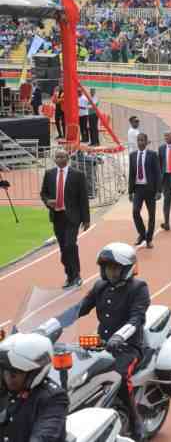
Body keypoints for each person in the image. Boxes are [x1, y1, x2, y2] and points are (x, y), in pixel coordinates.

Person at [72, 243, 150, 440]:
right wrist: (52, 323)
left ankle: (135, 421)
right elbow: (79, 308)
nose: (111, 272)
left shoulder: (139, 288)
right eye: (107, 268)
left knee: (121, 376)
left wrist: (119, 336)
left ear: (126, 269)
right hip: (101, 344)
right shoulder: (100, 286)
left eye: (115, 268)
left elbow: (137, 318)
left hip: (128, 347)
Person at [0, 333, 68, 442]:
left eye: (14, 374)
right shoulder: (6, 389)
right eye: (4, 371)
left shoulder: (53, 398)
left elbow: (44, 436)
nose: (8, 378)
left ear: (34, 373)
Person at [40, 149, 90, 288]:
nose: (59, 159)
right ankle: (70, 275)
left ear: (67, 158)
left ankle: (77, 275)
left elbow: (83, 198)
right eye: (57, 157)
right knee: (63, 248)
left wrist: (86, 219)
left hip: (73, 217)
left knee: (70, 245)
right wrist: (47, 201)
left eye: (62, 156)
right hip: (57, 216)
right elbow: (43, 193)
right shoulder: (49, 174)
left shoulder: (77, 175)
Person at [128, 133, 161, 248]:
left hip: (150, 189)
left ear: (146, 142)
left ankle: (149, 239)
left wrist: (158, 191)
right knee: (135, 212)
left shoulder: (152, 155)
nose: (140, 142)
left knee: (151, 215)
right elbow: (131, 174)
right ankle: (142, 234)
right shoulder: (132, 155)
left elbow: (157, 173)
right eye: (139, 140)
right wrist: (130, 191)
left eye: (142, 140)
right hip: (138, 189)